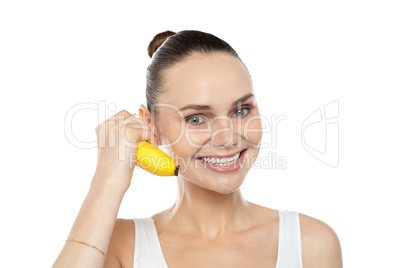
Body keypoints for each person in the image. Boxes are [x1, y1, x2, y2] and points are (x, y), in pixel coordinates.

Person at [53, 30, 343, 268]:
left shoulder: (312, 244)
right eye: (196, 118)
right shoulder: (117, 246)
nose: (227, 137)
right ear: (152, 127)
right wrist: (107, 180)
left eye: (241, 110)